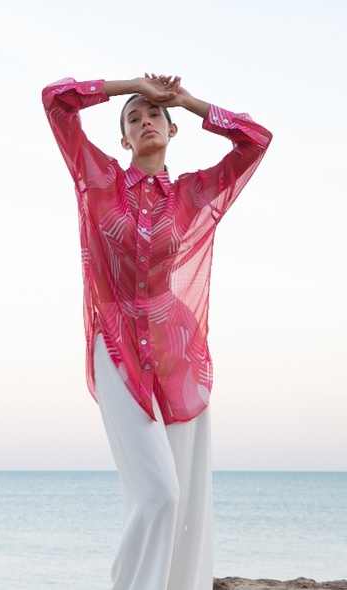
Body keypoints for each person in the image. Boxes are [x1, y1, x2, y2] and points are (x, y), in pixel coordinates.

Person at [42, 74, 271, 590]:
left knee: (184, 497)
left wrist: (188, 102)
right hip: (115, 340)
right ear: (123, 139)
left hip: (177, 350)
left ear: (171, 129)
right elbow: (56, 102)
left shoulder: (192, 194)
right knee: (158, 492)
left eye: (154, 115)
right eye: (133, 118)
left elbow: (257, 140)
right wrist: (132, 84)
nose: (145, 122)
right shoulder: (96, 177)